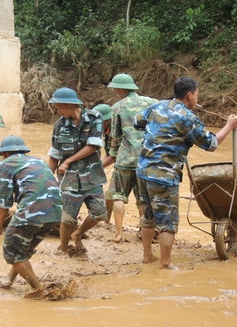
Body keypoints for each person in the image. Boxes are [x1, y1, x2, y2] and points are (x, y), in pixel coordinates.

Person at [134, 76, 237, 269]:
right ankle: (165, 263)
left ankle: (147, 256)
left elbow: (137, 122)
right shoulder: (187, 117)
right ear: (189, 95)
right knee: (168, 221)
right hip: (164, 176)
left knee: (148, 215)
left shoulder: (158, 106)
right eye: (197, 95)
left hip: (142, 170)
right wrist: (229, 125)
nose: (197, 99)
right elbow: (211, 144)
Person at [0, 135, 62, 299]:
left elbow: (4, 202)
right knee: (23, 248)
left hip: (33, 210)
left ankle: (38, 289)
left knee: (12, 250)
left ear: (4, 154)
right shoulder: (39, 161)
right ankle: (9, 279)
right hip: (56, 211)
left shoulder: (5, 164)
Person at [47, 87, 107, 255]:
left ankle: (78, 234)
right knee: (67, 217)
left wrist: (68, 161)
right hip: (69, 179)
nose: (57, 110)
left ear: (70, 104)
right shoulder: (59, 126)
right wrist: (46, 179)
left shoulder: (95, 118)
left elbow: (92, 146)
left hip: (92, 176)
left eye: (59, 106)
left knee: (100, 213)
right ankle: (63, 248)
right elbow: (54, 154)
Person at [104, 73, 158, 243]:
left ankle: (118, 234)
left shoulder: (117, 108)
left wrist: (112, 154)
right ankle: (143, 231)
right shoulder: (151, 103)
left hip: (125, 159)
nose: (114, 91)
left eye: (115, 88)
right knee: (143, 199)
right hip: (146, 159)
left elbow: (116, 135)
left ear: (121, 89)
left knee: (119, 196)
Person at [93, 103, 115, 223]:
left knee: (112, 195)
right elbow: (108, 153)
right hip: (121, 165)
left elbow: (113, 155)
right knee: (110, 196)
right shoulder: (106, 130)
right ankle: (106, 222)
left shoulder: (115, 130)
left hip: (131, 166)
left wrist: (97, 167)